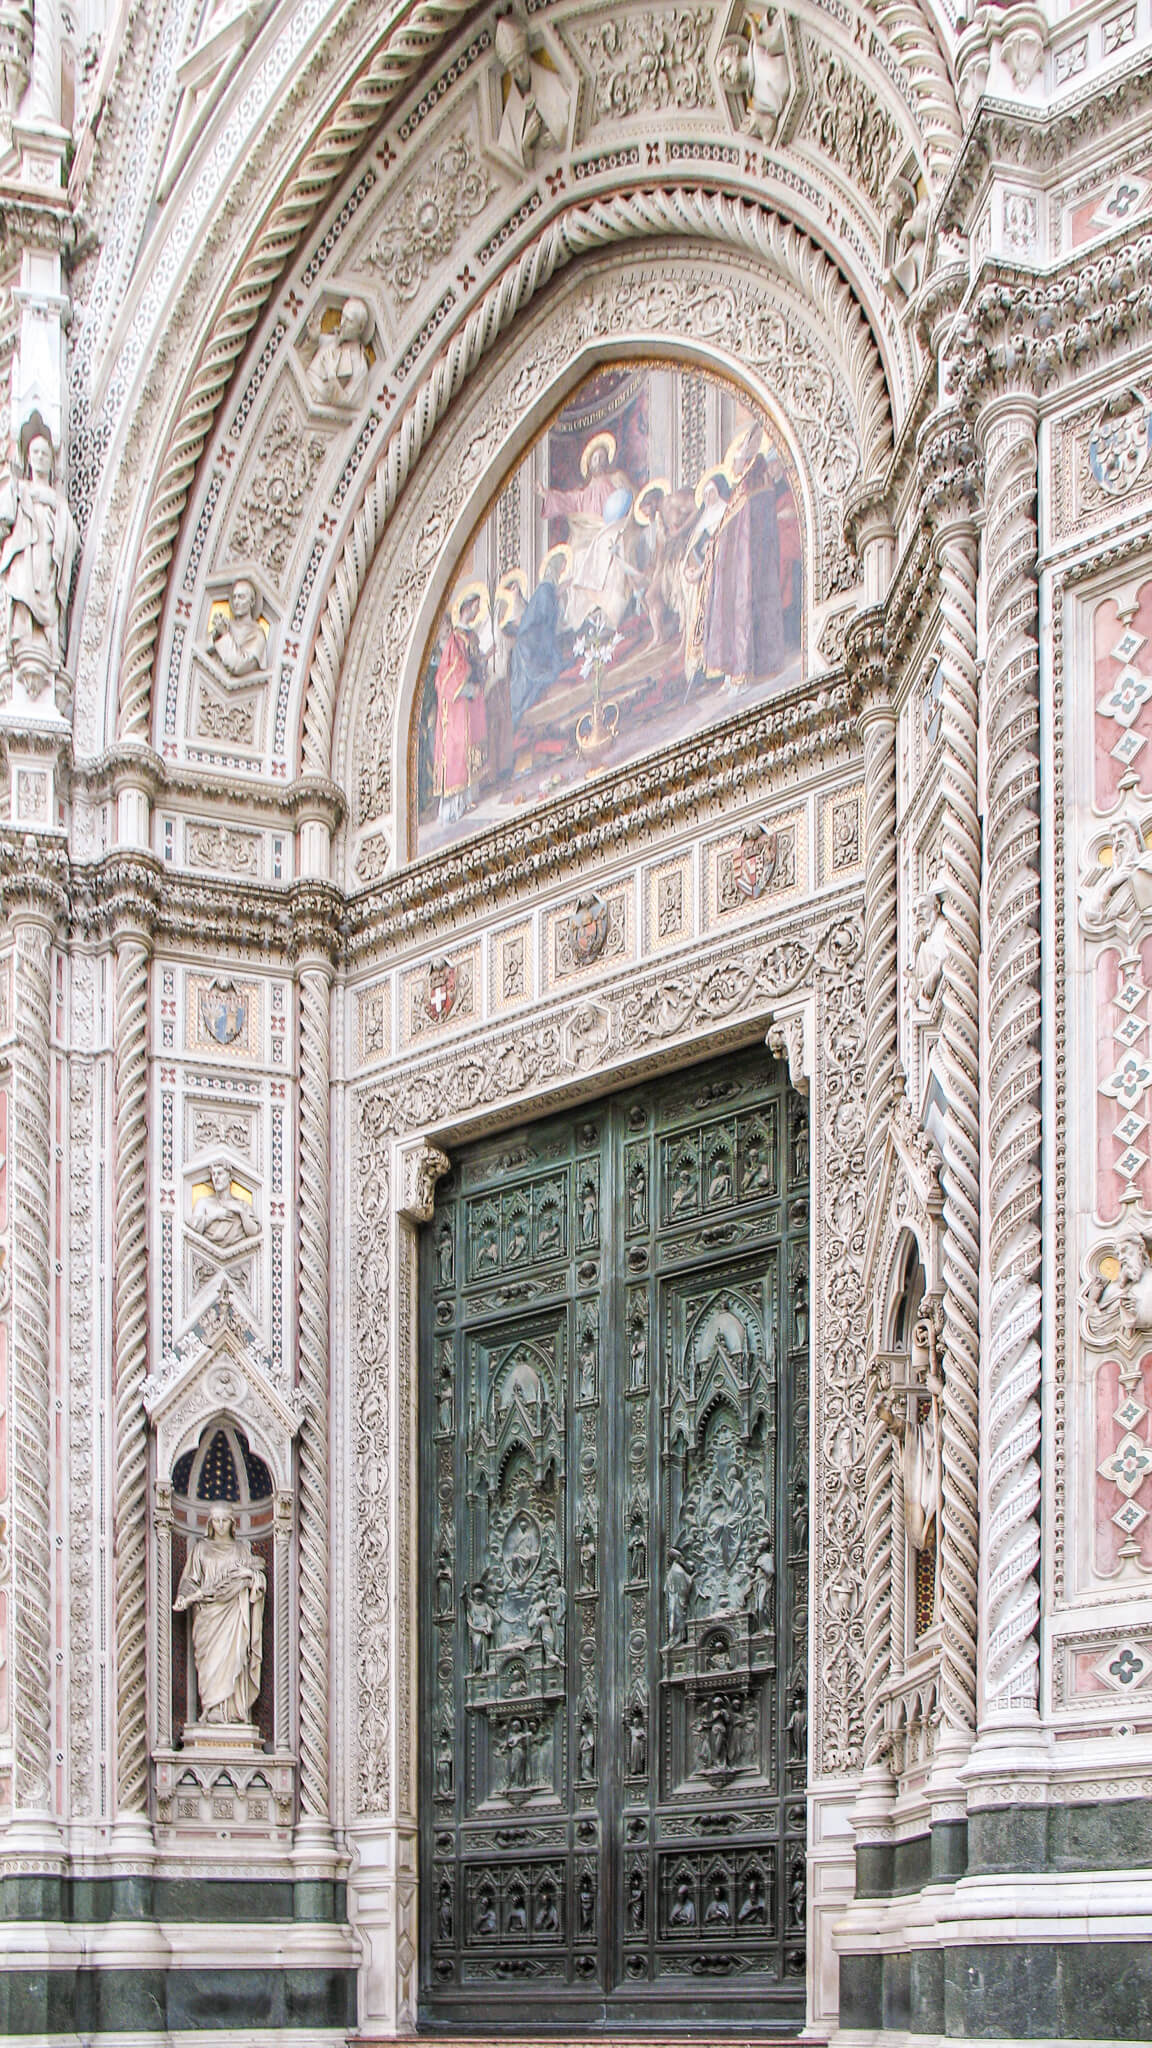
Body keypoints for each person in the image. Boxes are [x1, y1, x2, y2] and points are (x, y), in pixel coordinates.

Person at [689, 425, 787, 692]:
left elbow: (751, 530)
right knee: (727, 615)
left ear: (746, 462)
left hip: (747, 568)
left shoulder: (753, 486)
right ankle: (729, 673)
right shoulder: (736, 494)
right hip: (729, 570)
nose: (733, 464)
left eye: (737, 459)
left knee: (743, 612)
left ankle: (742, 673)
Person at [0, 426, 80, 681]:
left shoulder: (59, 501)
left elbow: (72, 536)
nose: (40, 457)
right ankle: (21, 640)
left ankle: (49, 645)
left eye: (45, 453)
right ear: (28, 458)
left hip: (47, 554)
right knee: (22, 590)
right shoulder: (20, 488)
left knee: (46, 593)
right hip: (26, 550)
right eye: (35, 452)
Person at [173, 1510, 266, 1725]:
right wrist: (183, 1596)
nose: (221, 1525)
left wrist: (251, 1576)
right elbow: (191, 1579)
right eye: (216, 1520)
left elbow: (256, 1577)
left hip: (234, 1613)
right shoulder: (201, 1549)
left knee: (234, 1658)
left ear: (233, 1523)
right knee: (211, 1664)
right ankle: (212, 1707)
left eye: (225, 1520)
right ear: (210, 1523)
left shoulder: (242, 1549)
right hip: (208, 1616)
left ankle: (231, 1711)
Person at [432, 588, 489, 824]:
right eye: (474, 605)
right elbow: (447, 675)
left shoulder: (469, 637)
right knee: (457, 750)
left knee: (471, 746)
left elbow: (471, 663)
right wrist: (467, 687)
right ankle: (456, 804)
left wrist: (480, 665)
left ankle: (468, 797)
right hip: (456, 708)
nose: (476, 610)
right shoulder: (454, 641)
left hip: (469, 703)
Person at [508, 547, 569, 723]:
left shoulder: (548, 591)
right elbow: (542, 619)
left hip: (533, 641)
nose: (561, 574)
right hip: (529, 646)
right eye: (561, 569)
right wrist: (557, 596)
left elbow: (538, 617)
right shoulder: (544, 590)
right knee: (532, 681)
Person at [305, 297, 373, 407]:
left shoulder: (360, 366)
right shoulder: (329, 340)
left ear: (360, 328)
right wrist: (312, 341)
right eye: (343, 317)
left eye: (349, 321)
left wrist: (331, 374)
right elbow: (303, 364)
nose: (342, 323)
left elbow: (347, 403)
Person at [190, 1161, 259, 1249]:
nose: (216, 1178)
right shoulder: (203, 1203)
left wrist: (242, 1212)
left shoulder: (242, 1205)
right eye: (213, 1174)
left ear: (230, 1177)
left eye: (220, 1173)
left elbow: (253, 1232)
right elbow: (194, 1228)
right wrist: (214, 1216)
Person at [209, 577, 267, 676]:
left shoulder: (257, 633)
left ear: (252, 601)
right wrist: (216, 635)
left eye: (241, 597)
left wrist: (224, 635)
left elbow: (240, 666)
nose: (236, 602)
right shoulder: (227, 624)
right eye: (234, 597)